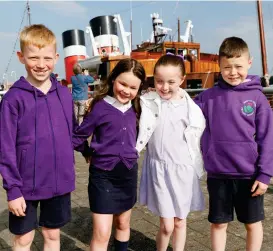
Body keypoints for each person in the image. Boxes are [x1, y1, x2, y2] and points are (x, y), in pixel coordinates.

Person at [0, 24, 75, 251]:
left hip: (59, 182)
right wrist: (12, 189)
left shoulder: (64, 93)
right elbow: (5, 147)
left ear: (57, 57)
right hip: (25, 184)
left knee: (52, 235)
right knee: (23, 239)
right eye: (33, 58)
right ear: (21, 57)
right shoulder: (13, 99)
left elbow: (73, 133)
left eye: (47, 58)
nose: (41, 65)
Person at [195, 36, 273, 251]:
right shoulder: (206, 98)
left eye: (238, 66)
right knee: (219, 223)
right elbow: (182, 112)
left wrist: (265, 174)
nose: (233, 72)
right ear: (218, 65)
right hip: (218, 173)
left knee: (252, 223)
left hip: (249, 174)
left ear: (249, 62)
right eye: (227, 67)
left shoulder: (258, 99)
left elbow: (268, 138)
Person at [73, 58, 146, 251]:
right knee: (102, 233)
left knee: (123, 224)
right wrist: (86, 151)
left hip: (128, 174)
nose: (126, 91)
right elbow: (78, 135)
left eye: (133, 87)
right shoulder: (99, 107)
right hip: (102, 176)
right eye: (122, 83)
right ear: (113, 79)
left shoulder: (139, 108)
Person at [136, 54, 206, 251]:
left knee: (180, 222)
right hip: (159, 168)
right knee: (166, 225)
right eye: (159, 81)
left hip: (183, 171)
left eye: (171, 82)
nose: (164, 87)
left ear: (182, 80)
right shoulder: (148, 101)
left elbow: (198, 136)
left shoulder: (191, 108)